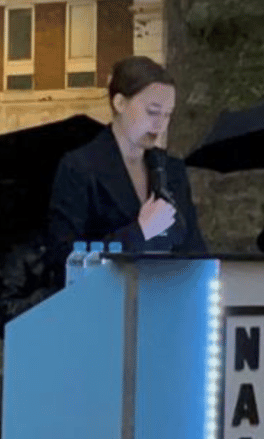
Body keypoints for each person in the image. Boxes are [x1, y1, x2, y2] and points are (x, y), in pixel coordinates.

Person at [45, 55, 207, 280]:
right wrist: (139, 233)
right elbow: (64, 257)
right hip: (104, 305)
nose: (159, 124)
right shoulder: (80, 168)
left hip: (167, 299)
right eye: (152, 111)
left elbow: (195, 251)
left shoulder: (171, 171)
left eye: (167, 114)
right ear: (120, 103)